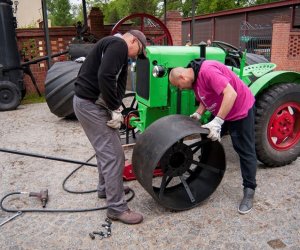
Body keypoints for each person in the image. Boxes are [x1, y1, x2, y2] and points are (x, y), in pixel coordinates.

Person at [73, 30, 147, 224]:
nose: (136, 57)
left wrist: (116, 106)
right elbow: (105, 76)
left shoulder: (112, 44)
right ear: (133, 40)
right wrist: (114, 108)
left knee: (105, 150)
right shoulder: (119, 45)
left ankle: (105, 188)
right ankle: (116, 208)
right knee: (114, 154)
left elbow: (114, 80)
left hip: (87, 102)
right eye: (139, 51)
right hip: (90, 104)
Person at [169, 59, 257, 215]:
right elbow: (206, 95)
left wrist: (218, 122)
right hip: (223, 111)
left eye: (178, 86)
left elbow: (231, 93)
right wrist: (199, 113)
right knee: (207, 140)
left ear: (182, 77)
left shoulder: (207, 71)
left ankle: (249, 190)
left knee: (244, 150)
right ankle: (206, 175)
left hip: (239, 109)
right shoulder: (194, 78)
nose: (180, 89)